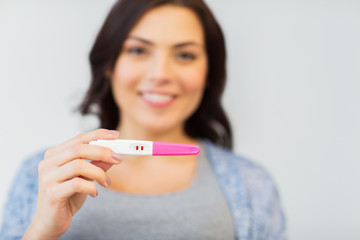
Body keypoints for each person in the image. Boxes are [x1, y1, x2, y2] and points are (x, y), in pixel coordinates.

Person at [0, 0, 286, 239]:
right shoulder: (42, 175)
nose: (160, 73)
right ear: (109, 64)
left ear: (209, 73)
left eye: (185, 55)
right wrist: (41, 231)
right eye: (138, 50)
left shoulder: (252, 184)